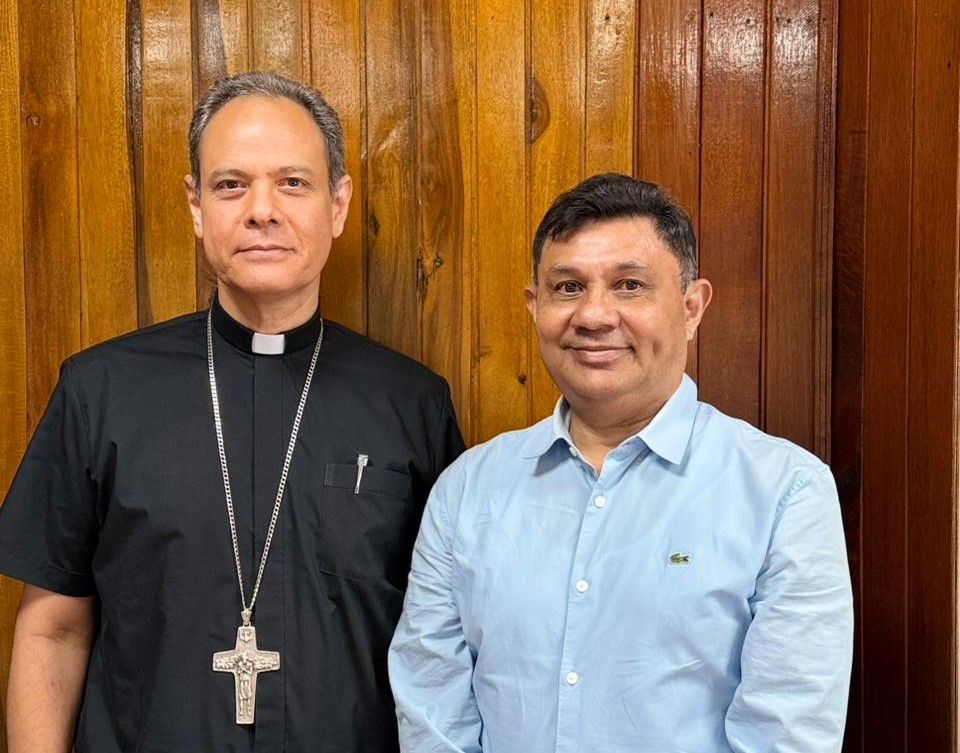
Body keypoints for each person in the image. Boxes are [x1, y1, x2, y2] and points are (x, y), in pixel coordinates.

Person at [0, 71, 464, 752]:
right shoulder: (99, 391)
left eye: (293, 182)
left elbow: (446, 639)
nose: (262, 209)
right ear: (196, 206)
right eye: (230, 184)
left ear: (337, 204)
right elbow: (54, 628)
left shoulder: (411, 403)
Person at [389, 173, 853, 752]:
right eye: (567, 287)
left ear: (690, 307)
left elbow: (788, 733)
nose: (594, 315)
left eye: (630, 285)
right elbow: (434, 712)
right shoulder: (467, 489)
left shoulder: (785, 491)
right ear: (535, 307)